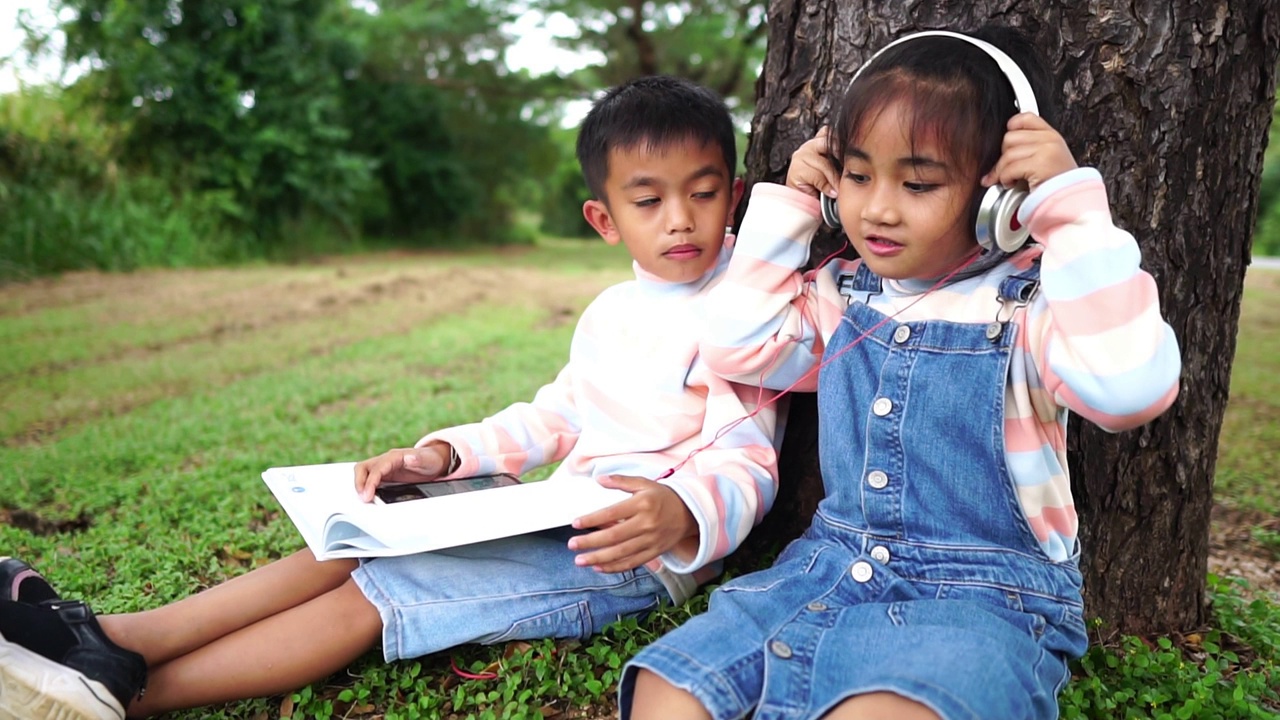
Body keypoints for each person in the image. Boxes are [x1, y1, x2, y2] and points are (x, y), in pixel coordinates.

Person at [0, 75, 784, 720]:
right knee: (360, 532)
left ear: (736, 196)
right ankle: (108, 636)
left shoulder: (744, 323)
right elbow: (558, 413)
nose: (679, 219)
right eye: (649, 201)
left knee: (379, 593)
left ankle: (115, 698)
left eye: (703, 194)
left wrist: (679, 512)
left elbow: (749, 454)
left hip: (626, 553)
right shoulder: (613, 312)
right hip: (554, 507)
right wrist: (445, 453)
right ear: (604, 219)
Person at [621, 26, 1182, 720]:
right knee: (668, 689)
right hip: (826, 569)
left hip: (983, 601)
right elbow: (736, 343)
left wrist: (1073, 215)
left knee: (890, 707)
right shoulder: (841, 296)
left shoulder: (1040, 302)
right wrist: (793, 205)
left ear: (1000, 200)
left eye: (917, 183)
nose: (877, 208)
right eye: (857, 176)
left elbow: (1129, 389)